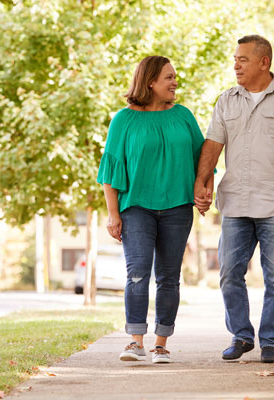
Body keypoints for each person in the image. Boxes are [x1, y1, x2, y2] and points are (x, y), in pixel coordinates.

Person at [194, 35, 274, 363]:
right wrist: (202, 181)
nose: (236, 64)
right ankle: (241, 335)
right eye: (235, 59)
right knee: (229, 273)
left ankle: (271, 342)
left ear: (264, 62)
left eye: (243, 59)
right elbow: (212, 145)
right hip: (235, 202)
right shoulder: (227, 101)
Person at [97, 56, 212, 364]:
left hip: (177, 207)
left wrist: (204, 190)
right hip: (136, 208)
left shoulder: (183, 116)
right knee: (137, 274)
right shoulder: (123, 119)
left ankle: (160, 344)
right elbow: (111, 168)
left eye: (175, 77)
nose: (175, 82)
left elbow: (203, 159)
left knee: (169, 277)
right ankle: (135, 341)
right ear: (150, 83)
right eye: (168, 78)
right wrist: (113, 214)